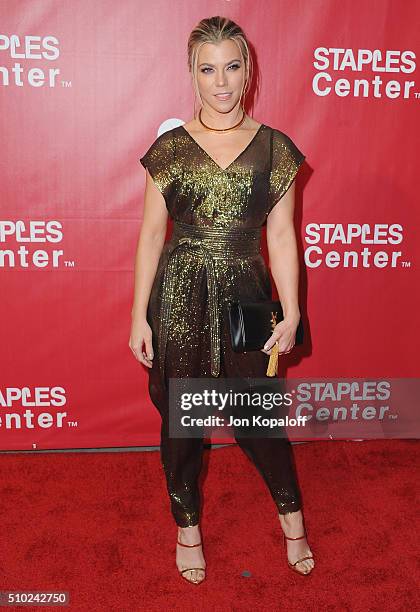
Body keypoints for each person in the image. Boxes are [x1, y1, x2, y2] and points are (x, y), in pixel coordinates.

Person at [129, 16, 315, 584]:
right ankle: (187, 526)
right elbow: (151, 235)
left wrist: (292, 309)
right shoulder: (169, 149)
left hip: (248, 293)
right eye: (208, 69)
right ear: (192, 75)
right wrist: (138, 312)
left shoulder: (274, 148)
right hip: (181, 290)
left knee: (256, 415)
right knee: (182, 422)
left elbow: (281, 236)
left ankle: (294, 521)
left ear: (249, 70)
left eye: (231, 66)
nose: (221, 81)